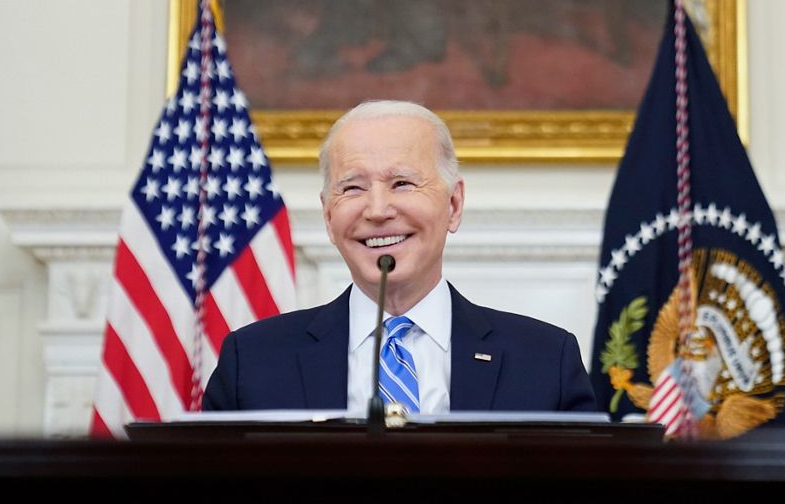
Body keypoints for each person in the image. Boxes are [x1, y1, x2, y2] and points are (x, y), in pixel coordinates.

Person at [203, 100, 596, 414]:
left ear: (454, 205)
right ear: (328, 215)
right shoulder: (252, 362)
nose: (377, 210)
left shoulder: (545, 361)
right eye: (353, 188)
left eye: (402, 183)